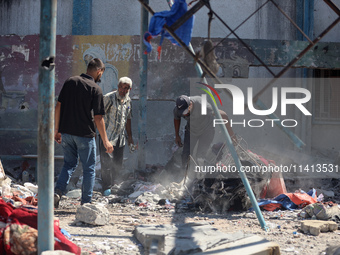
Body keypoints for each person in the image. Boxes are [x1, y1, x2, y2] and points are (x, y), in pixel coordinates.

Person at [54, 58, 113, 207]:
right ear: (99, 71)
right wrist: (106, 141)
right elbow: (98, 118)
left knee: (68, 164)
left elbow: (58, 106)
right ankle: (86, 203)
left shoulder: (69, 81)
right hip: (84, 136)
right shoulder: (95, 89)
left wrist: (56, 130)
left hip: (66, 133)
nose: (101, 77)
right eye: (101, 74)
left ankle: (58, 192)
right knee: (89, 169)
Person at [173, 95, 235, 167]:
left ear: (191, 104)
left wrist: (232, 136)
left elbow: (223, 115)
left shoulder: (202, 105)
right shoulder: (177, 109)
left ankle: (201, 173)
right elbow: (176, 119)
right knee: (186, 154)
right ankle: (184, 173)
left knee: (200, 156)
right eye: (183, 112)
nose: (185, 114)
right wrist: (177, 135)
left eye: (186, 111)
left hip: (207, 130)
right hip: (192, 131)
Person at [99, 77, 135, 195]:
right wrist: (102, 136)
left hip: (120, 138)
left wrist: (129, 136)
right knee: (106, 164)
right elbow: (99, 116)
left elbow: (128, 118)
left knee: (118, 163)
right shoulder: (109, 98)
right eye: (121, 87)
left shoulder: (128, 100)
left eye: (126, 88)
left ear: (129, 89)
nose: (122, 91)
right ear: (118, 87)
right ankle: (106, 188)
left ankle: (114, 184)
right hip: (107, 136)